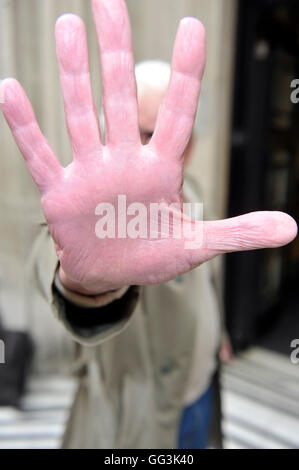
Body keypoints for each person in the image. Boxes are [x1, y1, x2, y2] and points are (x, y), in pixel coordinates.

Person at [0, 0, 297, 449]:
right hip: (131, 417)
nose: (152, 151)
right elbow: (50, 264)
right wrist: (85, 287)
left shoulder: (191, 192)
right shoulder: (84, 214)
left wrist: (213, 335)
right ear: (106, 127)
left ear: (191, 143)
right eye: (140, 131)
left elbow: (201, 277)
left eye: (168, 135)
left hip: (199, 392)